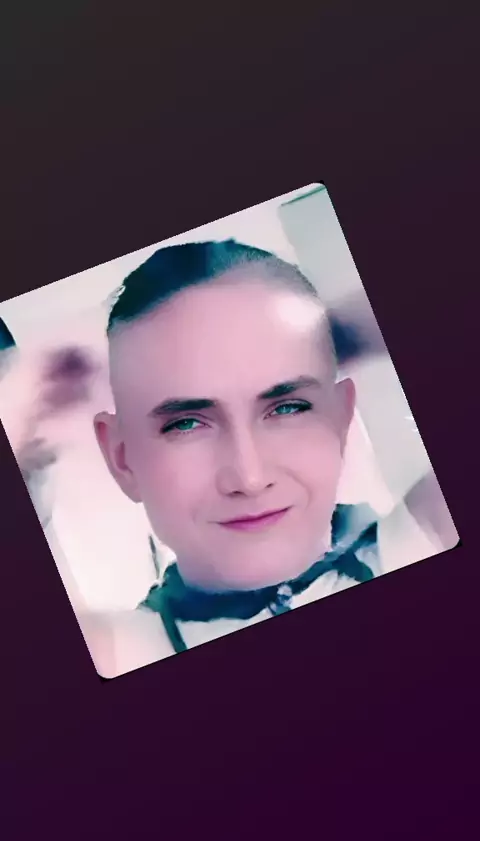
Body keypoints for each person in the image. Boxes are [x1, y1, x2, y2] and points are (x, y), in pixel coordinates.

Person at [7, 241, 459, 678]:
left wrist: (320, 339)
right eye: (186, 423)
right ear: (123, 459)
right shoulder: (127, 655)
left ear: (340, 419)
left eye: (288, 407)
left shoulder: (420, 547)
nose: (250, 476)